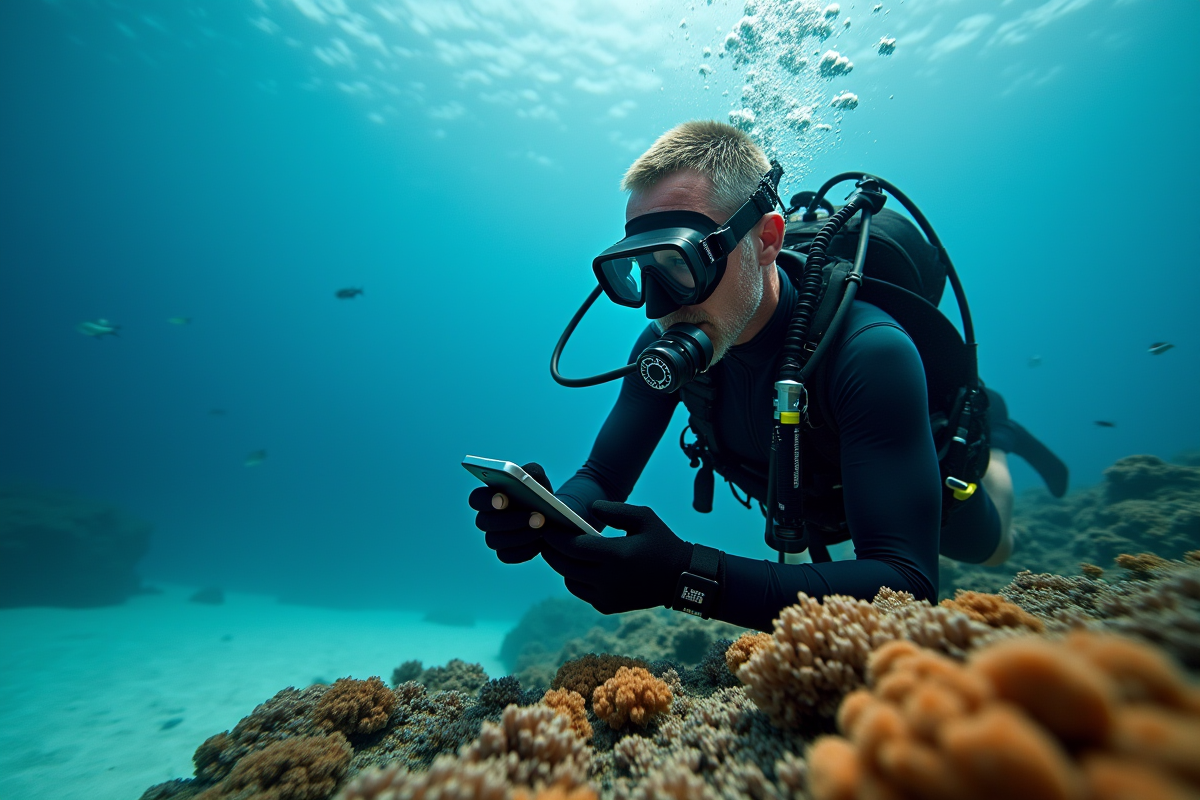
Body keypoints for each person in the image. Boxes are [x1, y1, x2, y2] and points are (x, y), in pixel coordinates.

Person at [469, 120, 1065, 633]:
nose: (658, 306)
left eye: (679, 263)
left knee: (990, 547)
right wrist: (548, 514)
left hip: (917, 477)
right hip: (801, 495)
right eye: (639, 273)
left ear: (766, 241)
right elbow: (602, 475)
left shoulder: (871, 352)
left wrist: (686, 577)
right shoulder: (665, 343)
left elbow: (906, 586)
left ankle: (997, 437)